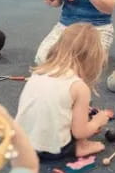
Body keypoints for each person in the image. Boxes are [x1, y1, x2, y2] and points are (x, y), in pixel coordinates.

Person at [17, 23, 110, 160]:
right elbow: (79, 132)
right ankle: (81, 147)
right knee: (84, 127)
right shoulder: (79, 86)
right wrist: (97, 121)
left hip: (20, 143)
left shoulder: (39, 72)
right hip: (51, 150)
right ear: (92, 59)